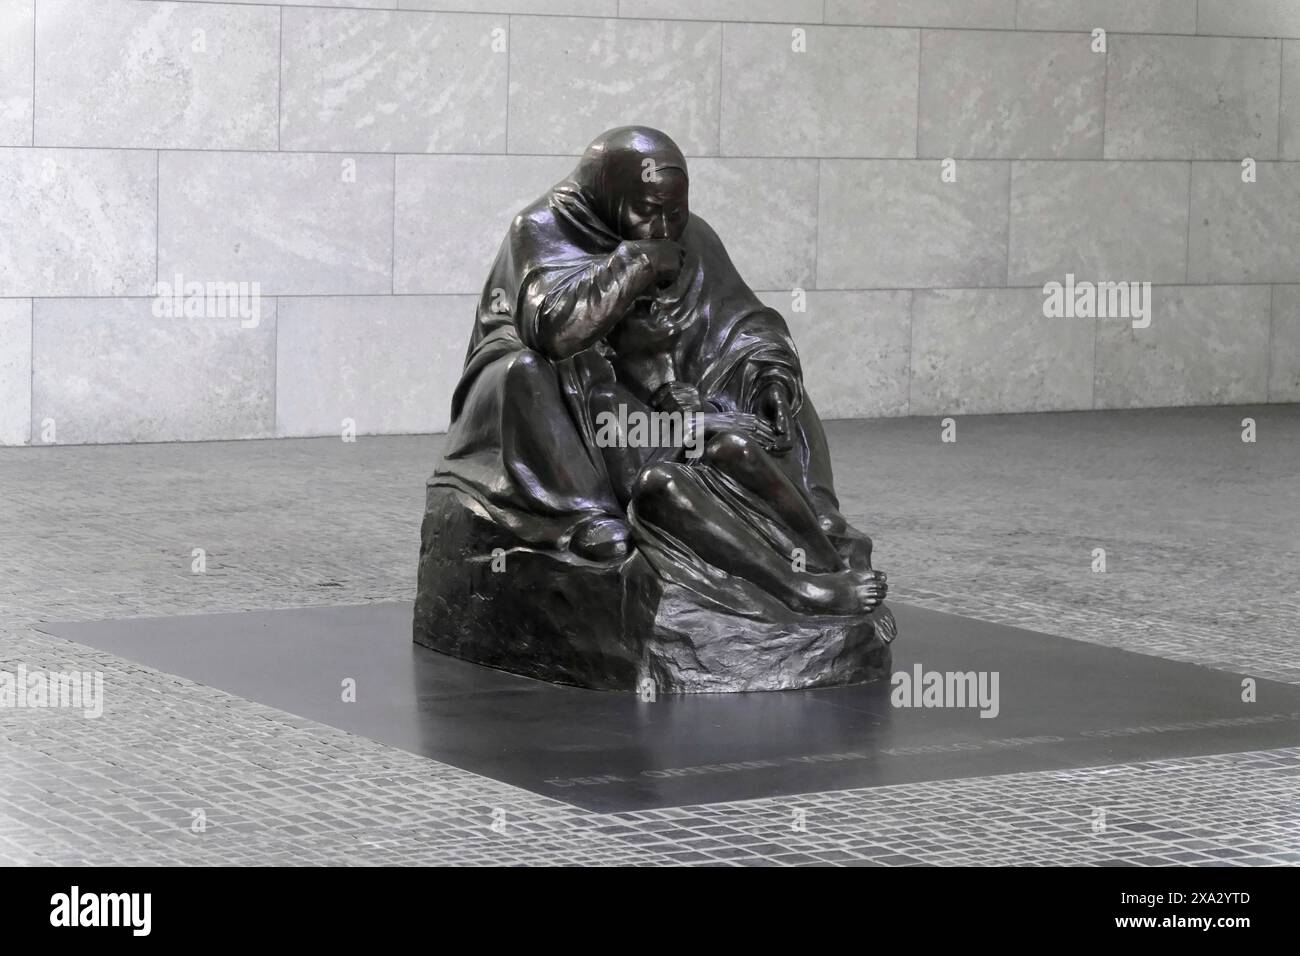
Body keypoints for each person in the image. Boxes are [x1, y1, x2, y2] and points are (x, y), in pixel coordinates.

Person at [432, 126, 885, 616]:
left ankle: (819, 528)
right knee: (526, 371)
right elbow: (555, 332)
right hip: (564, 401)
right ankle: (585, 514)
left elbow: (741, 320)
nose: (666, 227)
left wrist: (767, 374)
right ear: (605, 193)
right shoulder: (540, 229)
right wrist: (638, 264)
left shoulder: (692, 236)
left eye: (676, 211)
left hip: (662, 407)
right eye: (649, 213)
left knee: (763, 380)